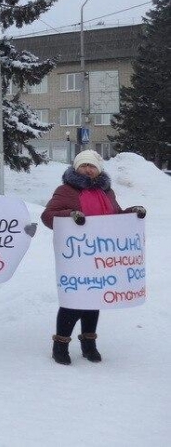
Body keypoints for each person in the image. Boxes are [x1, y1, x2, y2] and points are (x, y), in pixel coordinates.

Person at [40, 149, 146, 365]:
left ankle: (89, 344)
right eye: (84, 166)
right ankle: (60, 345)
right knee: (74, 301)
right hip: (77, 258)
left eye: (92, 166)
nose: (88, 170)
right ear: (76, 167)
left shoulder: (107, 192)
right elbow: (47, 215)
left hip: (99, 258)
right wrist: (69, 216)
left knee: (94, 299)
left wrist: (132, 213)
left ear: (98, 170)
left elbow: (114, 218)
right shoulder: (66, 190)